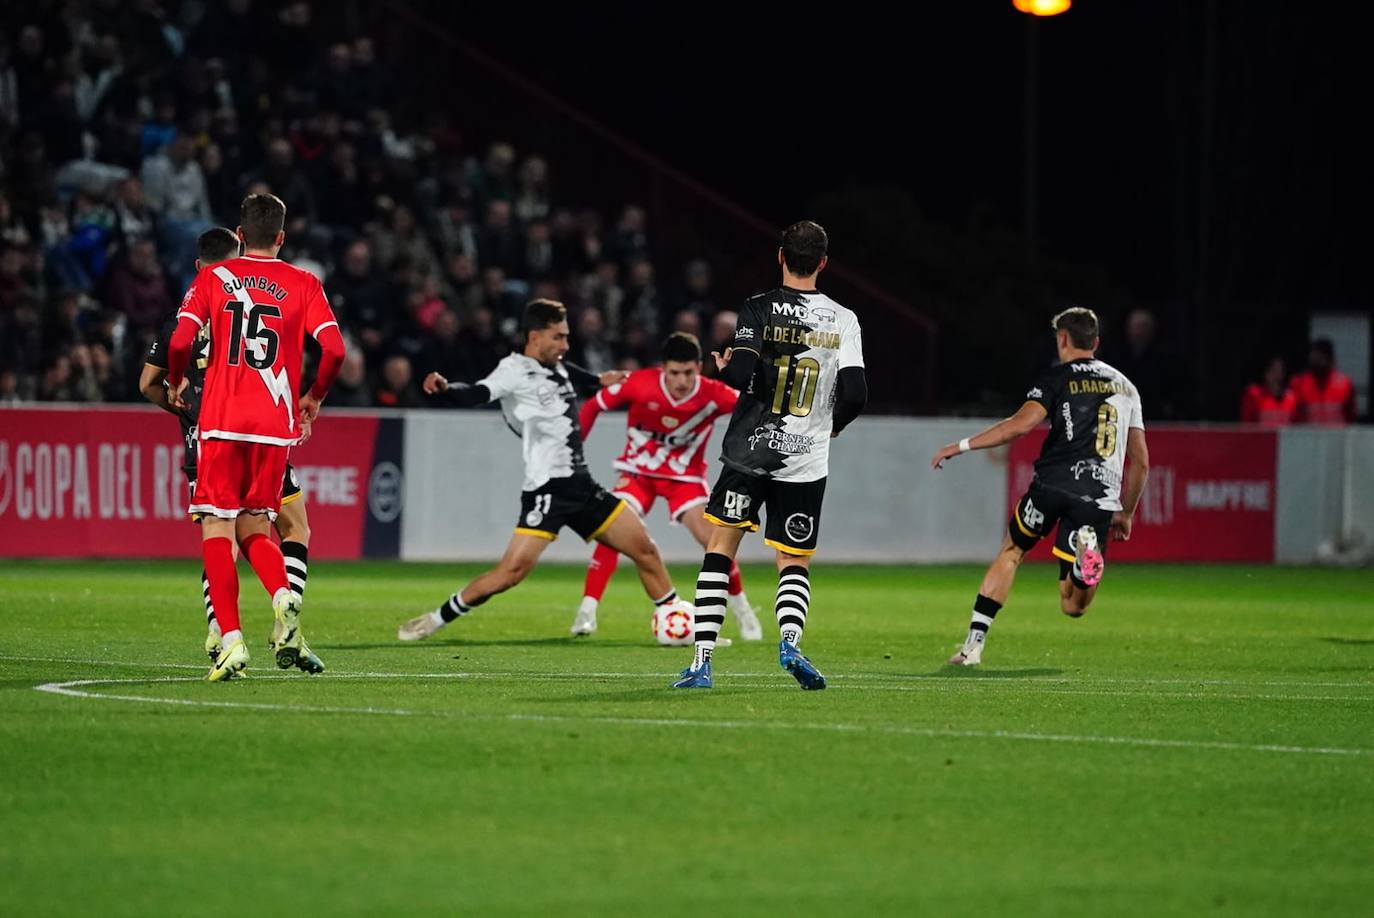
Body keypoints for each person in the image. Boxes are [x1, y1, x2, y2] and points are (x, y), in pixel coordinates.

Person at [396, 299, 692, 642]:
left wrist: (607, 380)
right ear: (535, 337)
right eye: (559, 337)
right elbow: (478, 393)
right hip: (547, 491)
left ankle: (677, 621)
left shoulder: (559, 367)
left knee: (645, 549)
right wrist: (448, 388)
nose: (565, 345)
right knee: (510, 574)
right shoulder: (513, 371)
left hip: (582, 487)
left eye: (566, 337)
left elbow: (582, 379)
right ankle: (434, 619)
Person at [673, 221, 867, 690]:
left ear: (780, 256)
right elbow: (857, 391)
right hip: (805, 457)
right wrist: (832, 425)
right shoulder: (844, 318)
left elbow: (740, 373)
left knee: (720, 549)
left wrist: (723, 368)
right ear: (823, 262)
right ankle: (790, 645)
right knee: (793, 559)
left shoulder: (758, 308)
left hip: (749, 451)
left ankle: (701, 663)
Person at [165, 193, 346, 682]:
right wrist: (314, 396)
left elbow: (180, 341)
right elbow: (334, 349)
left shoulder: (212, 278)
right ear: (282, 238)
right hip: (274, 427)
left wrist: (177, 378)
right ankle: (284, 594)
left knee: (216, 530)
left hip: (221, 421)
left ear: (239, 235)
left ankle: (231, 640)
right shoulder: (305, 283)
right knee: (256, 527)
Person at [141, 226, 319, 672]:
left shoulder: (196, 303)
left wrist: (180, 403)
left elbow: (148, 381)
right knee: (285, 526)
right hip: (263, 429)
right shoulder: (261, 298)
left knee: (219, 534)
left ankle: (225, 633)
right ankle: (287, 616)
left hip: (210, 436)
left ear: (199, 267)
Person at [931, 307, 1149, 666]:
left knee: (1012, 550)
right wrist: (1126, 513)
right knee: (1073, 606)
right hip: (1097, 498)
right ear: (1095, 342)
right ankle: (1083, 566)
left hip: (1051, 486)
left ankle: (973, 646)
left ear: (1063, 338)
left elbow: (1019, 425)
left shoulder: (1056, 378)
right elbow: (1141, 462)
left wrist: (962, 446)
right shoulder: (1126, 388)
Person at [573, 331, 761, 640]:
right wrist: (575, 447)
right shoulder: (639, 383)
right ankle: (587, 611)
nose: (682, 380)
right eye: (674, 373)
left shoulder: (714, 393)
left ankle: (742, 608)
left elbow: (752, 409)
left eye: (688, 372)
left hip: (684, 478)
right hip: (638, 473)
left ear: (699, 368)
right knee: (613, 532)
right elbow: (593, 406)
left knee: (714, 540)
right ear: (664, 369)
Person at [1292, 339, 1356, 426]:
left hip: (1337, 436)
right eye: (1314, 357)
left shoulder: (1345, 384)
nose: (1317, 360)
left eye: (1320, 357)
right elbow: (1294, 417)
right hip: (1308, 437)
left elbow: (1351, 416)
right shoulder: (1299, 383)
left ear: (1330, 359)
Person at [1239, 356, 1298, 426]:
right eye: (1273, 370)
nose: (1276, 375)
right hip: (1261, 436)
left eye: (1280, 371)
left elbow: (1297, 426)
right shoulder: (1253, 394)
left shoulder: (1292, 397)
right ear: (1265, 373)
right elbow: (1245, 425)